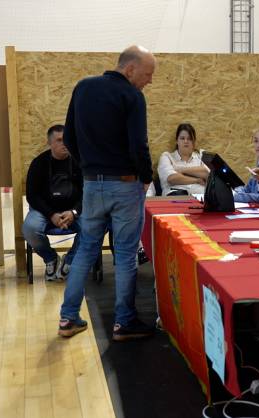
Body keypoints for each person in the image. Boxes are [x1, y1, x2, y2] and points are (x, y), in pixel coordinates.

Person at [58, 45, 156, 340]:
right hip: (125, 184)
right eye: (148, 74)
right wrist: (146, 177)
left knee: (86, 249)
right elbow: (139, 144)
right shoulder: (132, 96)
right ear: (130, 69)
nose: (150, 81)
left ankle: (68, 318)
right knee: (125, 254)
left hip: (92, 184)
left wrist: (88, 167)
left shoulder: (83, 88)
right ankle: (124, 322)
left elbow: (69, 137)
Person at [22, 124, 83, 282]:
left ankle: (69, 260)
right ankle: (50, 258)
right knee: (30, 228)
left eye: (67, 139)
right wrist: (51, 214)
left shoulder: (79, 162)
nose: (65, 143)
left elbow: (88, 192)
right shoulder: (39, 163)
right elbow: (32, 196)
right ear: (50, 143)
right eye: (59, 140)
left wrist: (74, 212)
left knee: (93, 228)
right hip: (45, 212)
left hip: (73, 211)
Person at [157, 123, 209, 196]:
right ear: (177, 141)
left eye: (189, 139)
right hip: (175, 197)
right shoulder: (167, 157)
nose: (186, 141)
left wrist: (181, 170)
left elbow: (207, 173)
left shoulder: (201, 157)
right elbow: (172, 178)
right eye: (182, 138)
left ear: (194, 142)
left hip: (201, 197)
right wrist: (197, 180)